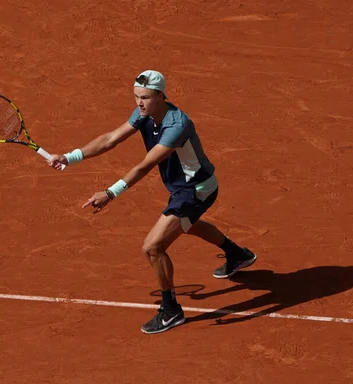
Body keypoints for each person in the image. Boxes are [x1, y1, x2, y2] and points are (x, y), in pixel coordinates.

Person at [47, 70, 257, 334]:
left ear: (161, 96)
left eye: (145, 97)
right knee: (187, 225)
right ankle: (237, 253)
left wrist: (110, 193)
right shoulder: (144, 113)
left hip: (196, 190)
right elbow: (110, 139)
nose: (139, 103)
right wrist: (70, 157)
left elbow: (145, 166)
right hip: (182, 188)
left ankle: (171, 311)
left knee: (152, 247)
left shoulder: (176, 125)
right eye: (136, 97)